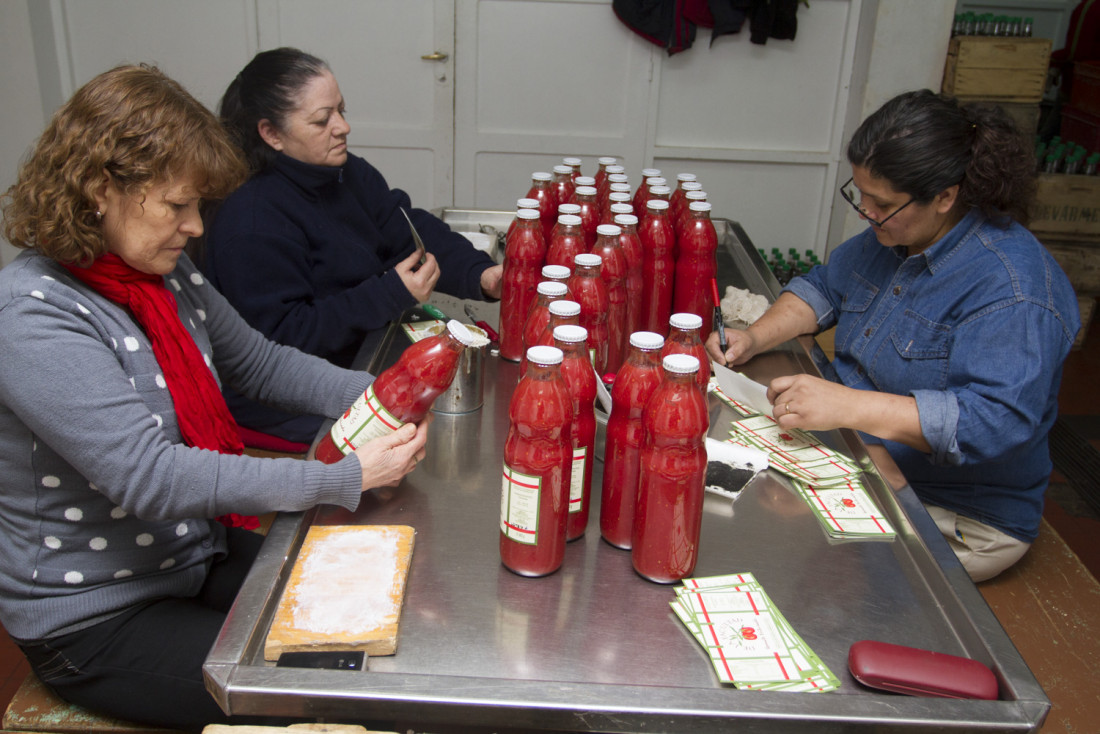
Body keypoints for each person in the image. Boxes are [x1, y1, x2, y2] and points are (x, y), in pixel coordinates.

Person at [0, 65, 430, 730]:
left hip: (191, 556)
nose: (196, 226)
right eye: (178, 206)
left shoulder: (162, 275)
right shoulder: (34, 316)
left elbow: (260, 364)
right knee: (332, 686)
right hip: (101, 618)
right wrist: (338, 478)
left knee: (369, 620)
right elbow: (152, 478)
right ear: (97, 190)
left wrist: (394, 391)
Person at [706, 90, 1080, 583]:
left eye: (880, 203)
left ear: (945, 196)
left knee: (781, 560)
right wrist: (754, 337)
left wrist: (847, 407)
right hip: (860, 449)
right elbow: (824, 287)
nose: (865, 212)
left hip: (955, 512)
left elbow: (992, 422)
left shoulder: (1014, 291)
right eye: (859, 193)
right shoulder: (902, 232)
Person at [202, 47, 503, 445]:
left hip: (357, 358)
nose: (342, 127)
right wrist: (387, 294)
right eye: (322, 120)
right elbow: (280, 345)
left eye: (341, 110)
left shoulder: (340, 171)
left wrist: (482, 274)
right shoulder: (252, 221)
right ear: (271, 134)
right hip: (285, 397)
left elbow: (406, 226)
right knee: (434, 435)